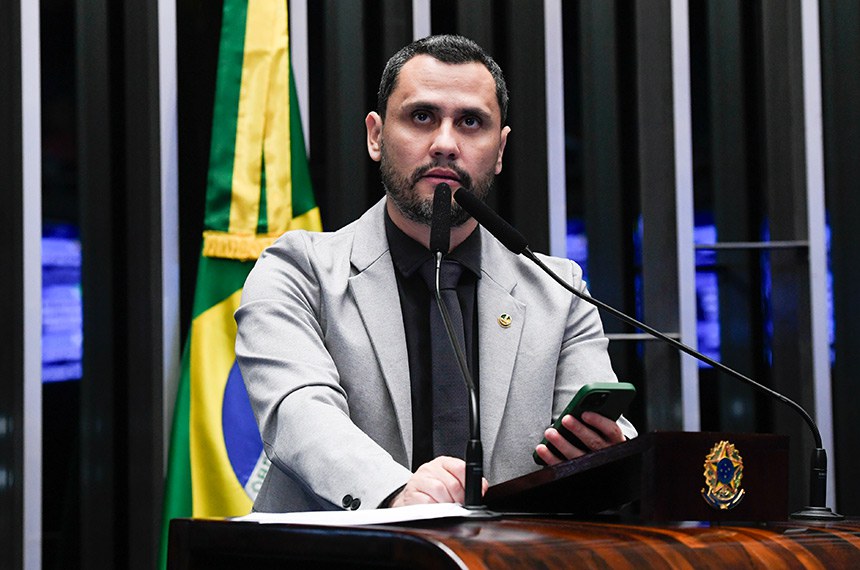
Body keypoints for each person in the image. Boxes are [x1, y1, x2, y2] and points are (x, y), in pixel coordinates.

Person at [235, 34, 636, 513]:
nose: (445, 144)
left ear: (500, 149)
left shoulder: (559, 290)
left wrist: (609, 451)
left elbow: (602, 433)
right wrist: (395, 491)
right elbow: (298, 413)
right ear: (376, 136)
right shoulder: (296, 271)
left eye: (471, 122)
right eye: (422, 117)